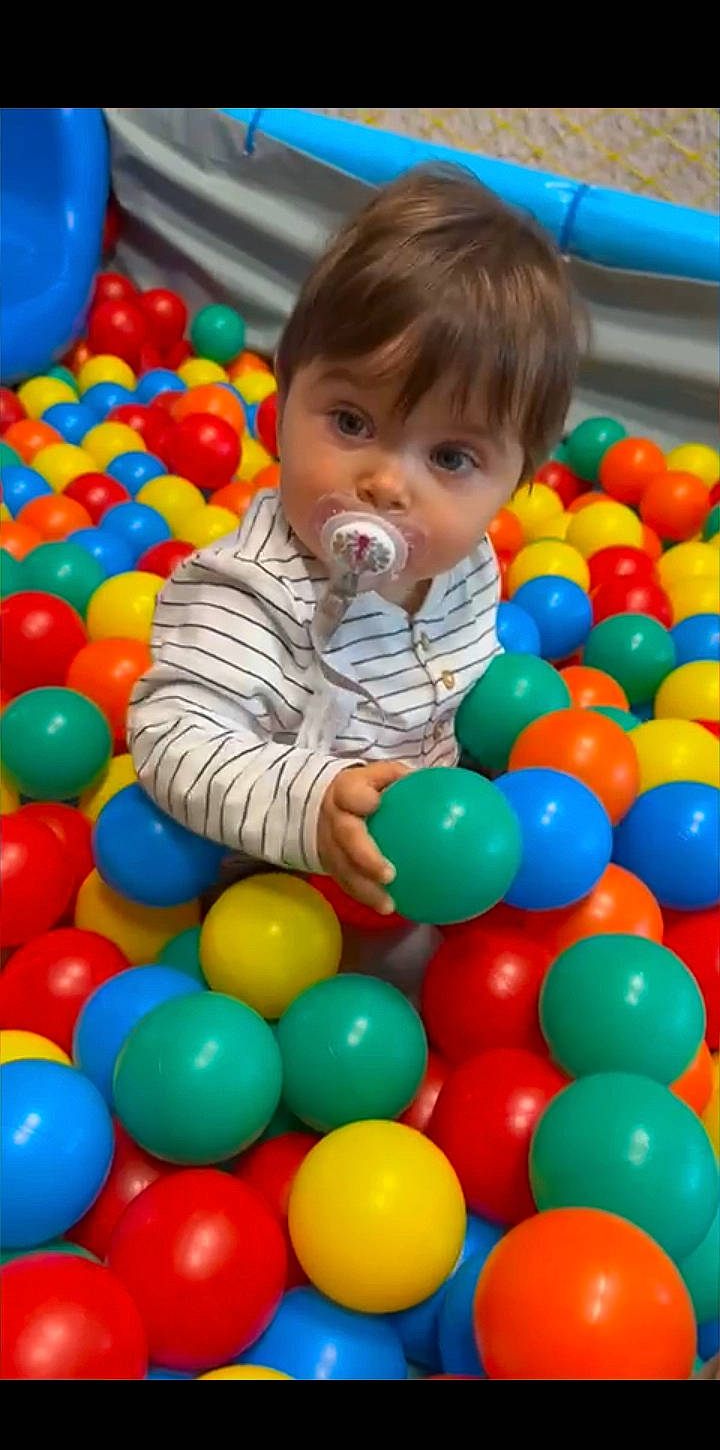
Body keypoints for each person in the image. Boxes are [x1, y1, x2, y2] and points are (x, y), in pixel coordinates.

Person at [129, 166, 579, 914]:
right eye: (351, 422)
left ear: (516, 480)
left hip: (430, 843)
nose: (386, 483)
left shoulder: (464, 563)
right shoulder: (252, 596)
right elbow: (174, 739)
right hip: (281, 883)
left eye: (451, 458)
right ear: (284, 392)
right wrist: (312, 809)